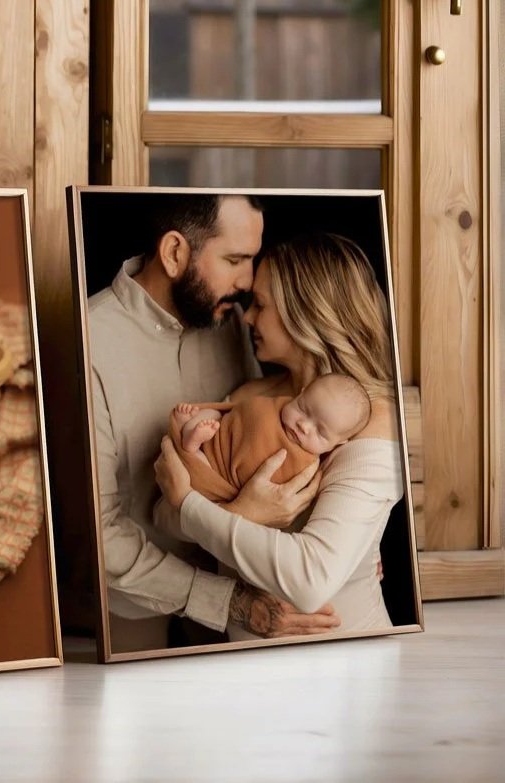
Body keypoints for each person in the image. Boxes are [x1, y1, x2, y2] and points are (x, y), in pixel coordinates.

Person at [87, 194, 340, 652]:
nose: (248, 281)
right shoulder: (89, 344)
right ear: (174, 253)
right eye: (235, 259)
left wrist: (345, 541)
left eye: (252, 259)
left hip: (248, 579)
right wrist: (231, 602)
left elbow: (264, 445)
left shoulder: (230, 322)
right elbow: (101, 538)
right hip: (136, 612)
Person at [155, 232, 402, 640]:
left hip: (343, 667)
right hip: (243, 666)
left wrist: (193, 507)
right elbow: (164, 517)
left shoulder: (376, 422)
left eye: (261, 304)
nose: (247, 317)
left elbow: (310, 581)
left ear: (306, 313)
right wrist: (244, 513)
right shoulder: (248, 398)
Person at [170, 372, 372, 503]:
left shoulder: (305, 466)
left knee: (201, 470)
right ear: (300, 394)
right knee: (213, 416)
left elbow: (270, 497)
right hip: (220, 433)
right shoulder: (277, 404)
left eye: (320, 432)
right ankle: (191, 428)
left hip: (219, 475)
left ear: (338, 443)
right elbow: (238, 412)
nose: (304, 425)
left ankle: (190, 445)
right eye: (302, 408)